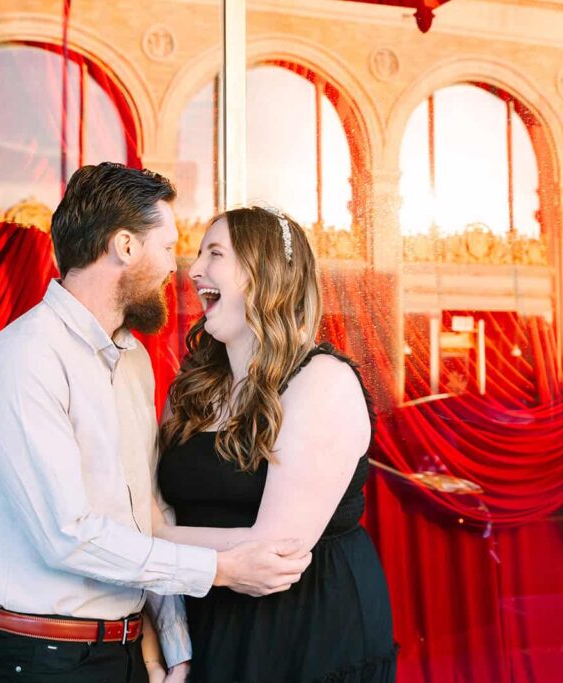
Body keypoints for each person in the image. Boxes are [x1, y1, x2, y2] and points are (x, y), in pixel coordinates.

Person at [0, 164, 312, 683]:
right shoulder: (26, 357)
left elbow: (145, 517)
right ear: (124, 246)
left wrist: (171, 645)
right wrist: (221, 570)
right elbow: (69, 537)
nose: (179, 269)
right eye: (168, 247)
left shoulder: (133, 362)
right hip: (37, 659)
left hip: (122, 655)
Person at [153, 207, 397, 682]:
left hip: (304, 629)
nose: (194, 269)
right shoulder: (192, 387)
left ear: (265, 273)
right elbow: (154, 502)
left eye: (215, 253)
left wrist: (148, 540)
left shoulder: (323, 380)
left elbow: (276, 547)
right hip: (203, 618)